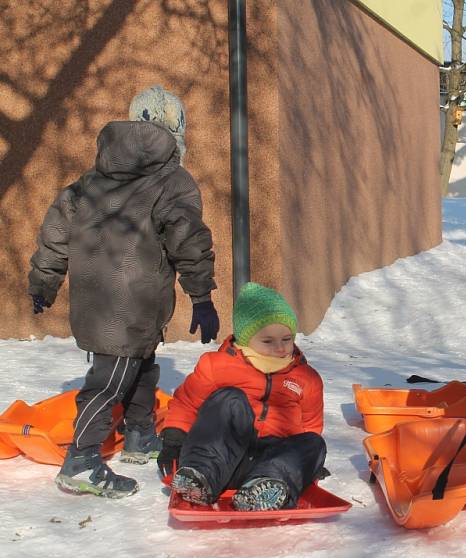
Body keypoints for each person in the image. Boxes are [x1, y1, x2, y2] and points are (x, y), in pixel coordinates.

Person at [28, 85, 219, 498]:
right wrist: (201, 296)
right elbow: (188, 238)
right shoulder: (174, 181)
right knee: (109, 380)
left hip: (102, 300)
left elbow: (55, 232)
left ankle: (139, 437)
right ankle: (80, 461)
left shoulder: (90, 182)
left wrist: (44, 281)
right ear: (178, 129)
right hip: (130, 305)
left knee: (143, 367)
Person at [157, 283, 326, 511]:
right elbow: (187, 403)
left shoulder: (305, 378)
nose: (280, 348)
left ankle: (264, 490)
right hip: (221, 458)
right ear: (246, 338)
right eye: (268, 341)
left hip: (269, 464)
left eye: (286, 339)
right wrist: (174, 439)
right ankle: (199, 478)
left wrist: (304, 462)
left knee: (314, 442)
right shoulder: (217, 365)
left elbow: (310, 425)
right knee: (230, 399)